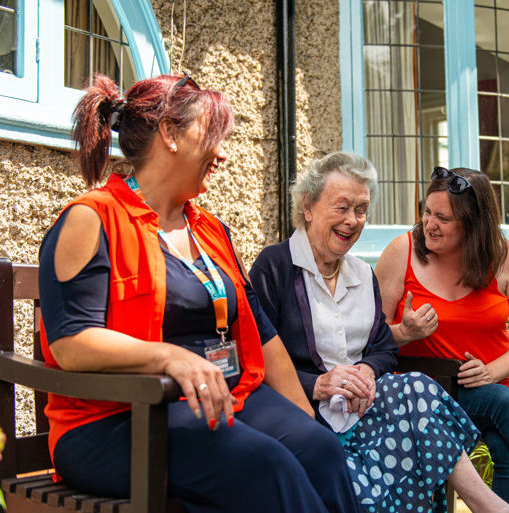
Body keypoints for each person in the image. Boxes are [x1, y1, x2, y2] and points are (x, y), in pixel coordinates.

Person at [37, 73, 361, 513]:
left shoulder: (209, 230)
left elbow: (260, 331)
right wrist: (170, 357)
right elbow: (71, 342)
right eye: (212, 135)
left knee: (320, 453)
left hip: (224, 400)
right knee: (265, 466)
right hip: (120, 419)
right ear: (170, 133)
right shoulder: (91, 219)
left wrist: (303, 423)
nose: (222, 153)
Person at [249, 152, 509, 513]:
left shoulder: (361, 274)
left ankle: (484, 503)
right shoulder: (275, 266)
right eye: (342, 207)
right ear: (308, 207)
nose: (352, 221)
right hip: (306, 416)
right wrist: (319, 384)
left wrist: (368, 370)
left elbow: (383, 347)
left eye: (361, 210)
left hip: (362, 409)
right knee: (397, 454)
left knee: (416, 387)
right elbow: (256, 355)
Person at [375, 166, 509, 513]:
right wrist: (406, 332)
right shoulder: (401, 252)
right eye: (427, 212)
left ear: (473, 225)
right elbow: (370, 335)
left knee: (507, 443)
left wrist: (492, 372)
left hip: (493, 383)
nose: (429, 225)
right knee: (505, 406)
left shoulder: (503, 257)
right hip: (427, 393)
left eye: (443, 219)